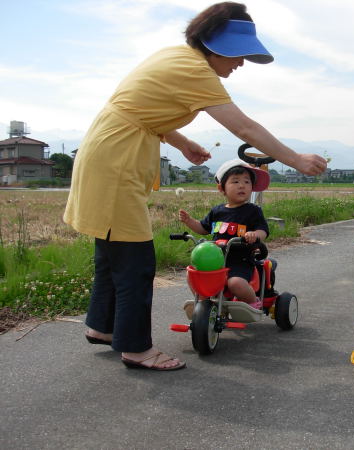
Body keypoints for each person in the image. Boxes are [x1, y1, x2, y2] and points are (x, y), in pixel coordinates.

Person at [63, 2, 327, 371]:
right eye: (239, 55)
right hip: (116, 161)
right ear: (218, 46)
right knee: (135, 261)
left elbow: (143, 109)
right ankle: (136, 348)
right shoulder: (195, 69)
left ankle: (103, 327)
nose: (240, 64)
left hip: (109, 151)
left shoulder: (174, 57)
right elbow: (245, 128)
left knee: (112, 254)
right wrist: (295, 159)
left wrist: (180, 142)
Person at [179, 159, 270, 317]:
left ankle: (253, 302)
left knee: (235, 283)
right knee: (193, 274)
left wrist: (255, 235)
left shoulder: (253, 211)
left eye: (247, 182)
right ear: (222, 188)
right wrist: (189, 222)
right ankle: (204, 302)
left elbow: (263, 230)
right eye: (235, 181)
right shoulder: (217, 211)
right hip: (215, 260)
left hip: (240, 261)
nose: (242, 185)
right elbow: (203, 228)